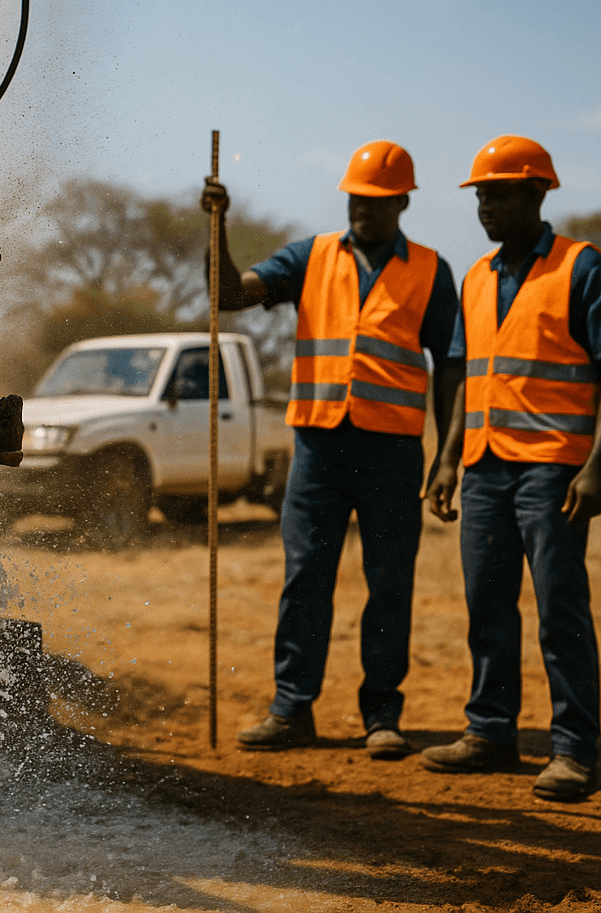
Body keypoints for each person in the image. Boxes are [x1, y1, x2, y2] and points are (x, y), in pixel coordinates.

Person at [205, 141, 461, 759]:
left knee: (390, 583)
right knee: (305, 579)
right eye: (355, 198)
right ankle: (292, 710)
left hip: (394, 454)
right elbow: (228, 296)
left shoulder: (431, 270)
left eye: (376, 200)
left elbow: (451, 366)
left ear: (402, 203)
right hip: (318, 448)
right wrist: (217, 227)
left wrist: (448, 455)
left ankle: (382, 716)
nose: (362, 209)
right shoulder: (310, 257)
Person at [423, 135, 601, 802]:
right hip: (483, 467)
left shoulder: (580, 266)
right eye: (480, 195)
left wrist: (596, 466)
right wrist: (447, 458)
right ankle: (490, 731)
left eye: (499, 193)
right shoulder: (477, 278)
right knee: (486, 604)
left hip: (552, 471)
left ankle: (574, 750)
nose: (485, 206)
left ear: (537, 193)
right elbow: (464, 376)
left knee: (559, 608)